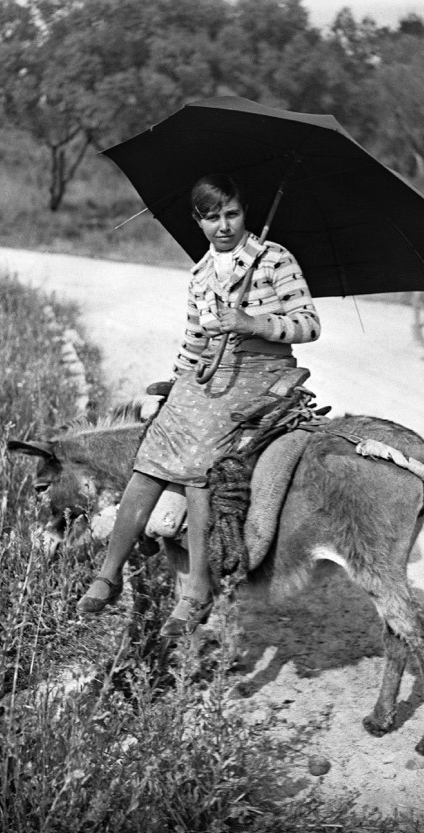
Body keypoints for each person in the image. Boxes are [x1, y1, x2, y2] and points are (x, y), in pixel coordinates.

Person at [76, 173, 321, 635]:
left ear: (245, 213)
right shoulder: (200, 273)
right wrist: (175, 384)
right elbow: (193, 342)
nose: (224, 226)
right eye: (212, 218)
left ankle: (197, 591)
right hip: (209, 376)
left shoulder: (274, 260)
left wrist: (254, 322)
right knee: (151, 454)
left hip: (262, 374)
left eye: (232, 214)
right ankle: (108, 575)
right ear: (198, 220)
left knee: (201, 458)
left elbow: (308, 324)